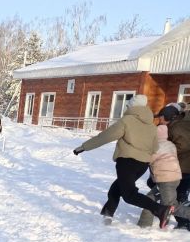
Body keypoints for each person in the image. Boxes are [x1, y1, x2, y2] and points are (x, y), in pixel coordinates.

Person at [73, 95, 173, 227]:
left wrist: (84, 147)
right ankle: (107, 215)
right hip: (142, 165)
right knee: (116, 189)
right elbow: (155, 147)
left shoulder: (127, 120)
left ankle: (160, 210)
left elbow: (105, 136)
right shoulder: (151, 126)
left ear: (131, 106)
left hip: (127, 163)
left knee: (129, 195)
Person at [137, 124, 190, 227]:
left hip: (166, 179)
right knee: (150, 198)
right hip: (174, 177)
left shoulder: (155, 147)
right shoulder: (171, 145)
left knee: (170, 206)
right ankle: (144, 223)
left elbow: (148, 159)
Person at [163, 104, 190, 229]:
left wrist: (169, 150)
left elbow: (182, 147)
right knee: (180, 193)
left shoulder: (177, 127)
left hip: (183, 166)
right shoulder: (183, 122)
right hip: (184, 165)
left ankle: (184, 221)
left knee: (179, 194)